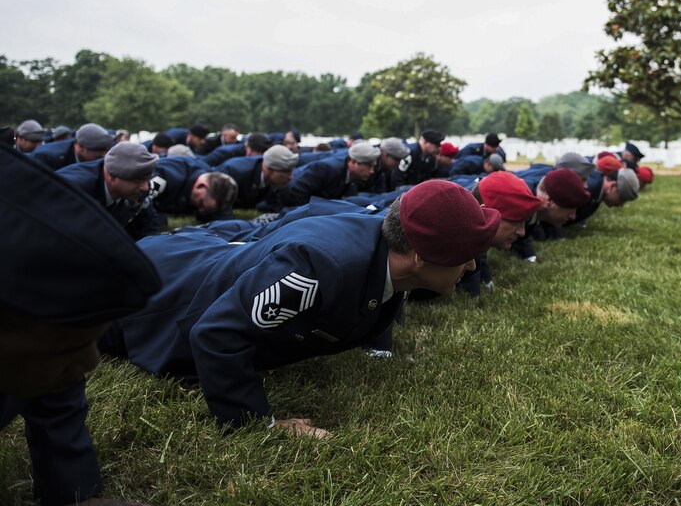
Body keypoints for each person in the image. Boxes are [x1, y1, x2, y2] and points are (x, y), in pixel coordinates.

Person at [100, 180, 501, 434]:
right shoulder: (319, 267)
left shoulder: (389, 247)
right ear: (419, 255)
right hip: (145, 296)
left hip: (193, 260)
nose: (471, 266)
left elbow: (385, 288)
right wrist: (259, 423)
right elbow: (218, 332)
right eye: (466, 254)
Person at [1, 144, 161, 506]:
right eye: (68, 345)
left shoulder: (35, 353)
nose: (91, 362)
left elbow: (58, 406)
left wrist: (75, 495)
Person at [57, 142, 162, 240]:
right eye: (136, 181)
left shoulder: (138, 190)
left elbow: (148, 225)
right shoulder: (74, 190)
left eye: (147, 179)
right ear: (111, 177)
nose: (145, 187)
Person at [511, 168, 590, 262]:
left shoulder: (533, 207)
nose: (573, 216)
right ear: (549, 200)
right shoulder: (519, 202)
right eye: (570, 209)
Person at [280, 141, 379, 208]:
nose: (372, 171)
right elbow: (298, 190)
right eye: (369, 166)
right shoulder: (327, 169)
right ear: (353, 162)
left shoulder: (350, 175)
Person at [149, 156, 238, 223]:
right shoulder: (164, 177)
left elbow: (225, 221)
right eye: (201, 203)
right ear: (201, 186)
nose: (201, 210)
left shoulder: (215, 186)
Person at [217, 144, 298, 211]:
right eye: (286, 171)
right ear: (268, 169)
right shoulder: (235, 173)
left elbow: (276, 207)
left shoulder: (276, 181)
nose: (291, 176)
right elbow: (219, 207)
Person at [32, 123, 116, 170]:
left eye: (106, 149)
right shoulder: (47, 157)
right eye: (99, 149)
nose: (104, 155)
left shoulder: (103, 159)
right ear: (80, 147)